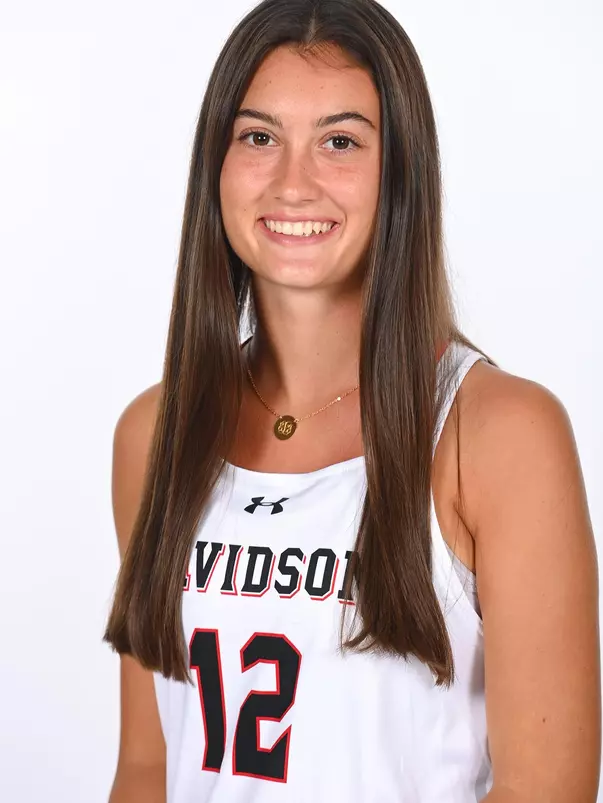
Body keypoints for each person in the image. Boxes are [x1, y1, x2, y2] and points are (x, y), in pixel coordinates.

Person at [103, 0, 601, 800]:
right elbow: (147, 765)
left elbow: (546, 788)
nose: (292, 182)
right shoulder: (154, 434)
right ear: (215, 165)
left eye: (339, 142)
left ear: (400, 170)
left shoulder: (499, 435)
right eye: (258, 137)